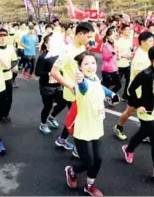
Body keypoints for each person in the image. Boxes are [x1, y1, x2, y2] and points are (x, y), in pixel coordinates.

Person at [65, 51, 118, 196]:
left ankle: (89, 185)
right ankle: (72, 171)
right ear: (80, 67)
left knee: (98, 159)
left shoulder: (94, 78)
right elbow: (84, 87)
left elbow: (100, 87)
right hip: (83, 128)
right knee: (87, 161)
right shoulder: (81, 84)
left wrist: (111, 94)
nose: (91, 66)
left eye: (93, 63)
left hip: (96, 125)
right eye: (86, 64)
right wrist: (80, 80)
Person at [122, 45, 154, 183]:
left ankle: (129, 148)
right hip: (147, 112)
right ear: (153, 58)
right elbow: (131, 89)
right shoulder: (146, 74)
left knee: (143, 133)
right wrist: (138, 105)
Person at [51, 22, 95, 157]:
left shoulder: (83, 48)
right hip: (73, 92)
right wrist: (70, 86)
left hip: (84, 89)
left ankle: (62, 139)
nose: (90, 39)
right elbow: (54, 72)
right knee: (80, 119)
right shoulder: (67, 51)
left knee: (75, 117)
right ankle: (78, 148)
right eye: (88, 36)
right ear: (80, 34)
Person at [113, 31, 154, 140]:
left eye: (152, 41)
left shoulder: (147, 53)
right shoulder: (141, 56)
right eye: (150, 41)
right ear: (142, 42)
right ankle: (119, 127)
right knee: (131, 111)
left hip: (143, 90)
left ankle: (144, 132)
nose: (152, 43)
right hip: (137, 91)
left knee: (138, 111)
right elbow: (138, 74)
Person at [35, 34, 67, 135]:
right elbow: (37, 73)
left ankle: (52, 117)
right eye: (52, 41)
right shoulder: (43, 57)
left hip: (58, 84)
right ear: (46, 43)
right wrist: (51, 73)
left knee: (63, 102)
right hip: (46, 86)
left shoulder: (59, 54)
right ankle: (43, 124)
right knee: (47, 106)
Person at [0, 28, 18, 123]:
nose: (2, 38)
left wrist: (10, 67)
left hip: (8, 76)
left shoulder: (10, 48)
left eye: (4, 35)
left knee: (8, 98)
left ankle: (5, 114)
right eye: (0, 36)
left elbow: (14, 60)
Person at [101, 27, 122, 97]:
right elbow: (105, 57)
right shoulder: (105, 45)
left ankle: (109, 95)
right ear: (107, 36)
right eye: (111, 35)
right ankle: (107, 94)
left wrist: (118, 55)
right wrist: (113, 52)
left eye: (114, 34)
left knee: (119, 84)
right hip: (107, 68)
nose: (113, 36)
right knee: (108, 85)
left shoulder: (115, 43)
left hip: (114, 67)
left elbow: (116, 53)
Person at [116, 24, 133, 101]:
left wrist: (131, 54)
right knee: (117, 83)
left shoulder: (130, 39)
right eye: (126, 29)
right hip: (119, 64)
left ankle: (125, 96)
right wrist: (124, 56)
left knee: (129, 80)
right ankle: (109, 94)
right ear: (122, 31)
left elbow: (130, 50)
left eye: (129, 29)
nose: (128, 31)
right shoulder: (119, 41)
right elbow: (116, 53)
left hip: (127, 63)